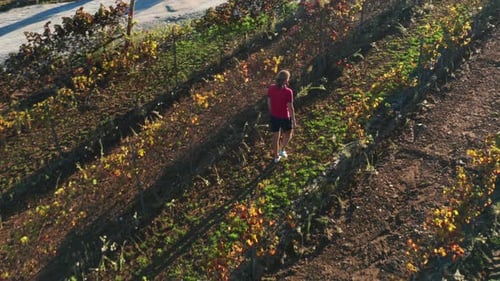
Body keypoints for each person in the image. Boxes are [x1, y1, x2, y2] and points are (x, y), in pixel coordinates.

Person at [267, 70, 296, 163]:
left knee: (276, 137)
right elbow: (290, 107)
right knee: (288, 133)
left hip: (274, 116)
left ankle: (276, 157)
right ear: (285, 80)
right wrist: (294, 120)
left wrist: (272, 112)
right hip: (284, 117)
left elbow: (269, 102)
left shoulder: (271, 88)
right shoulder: (288, 92)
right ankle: (282, 149)